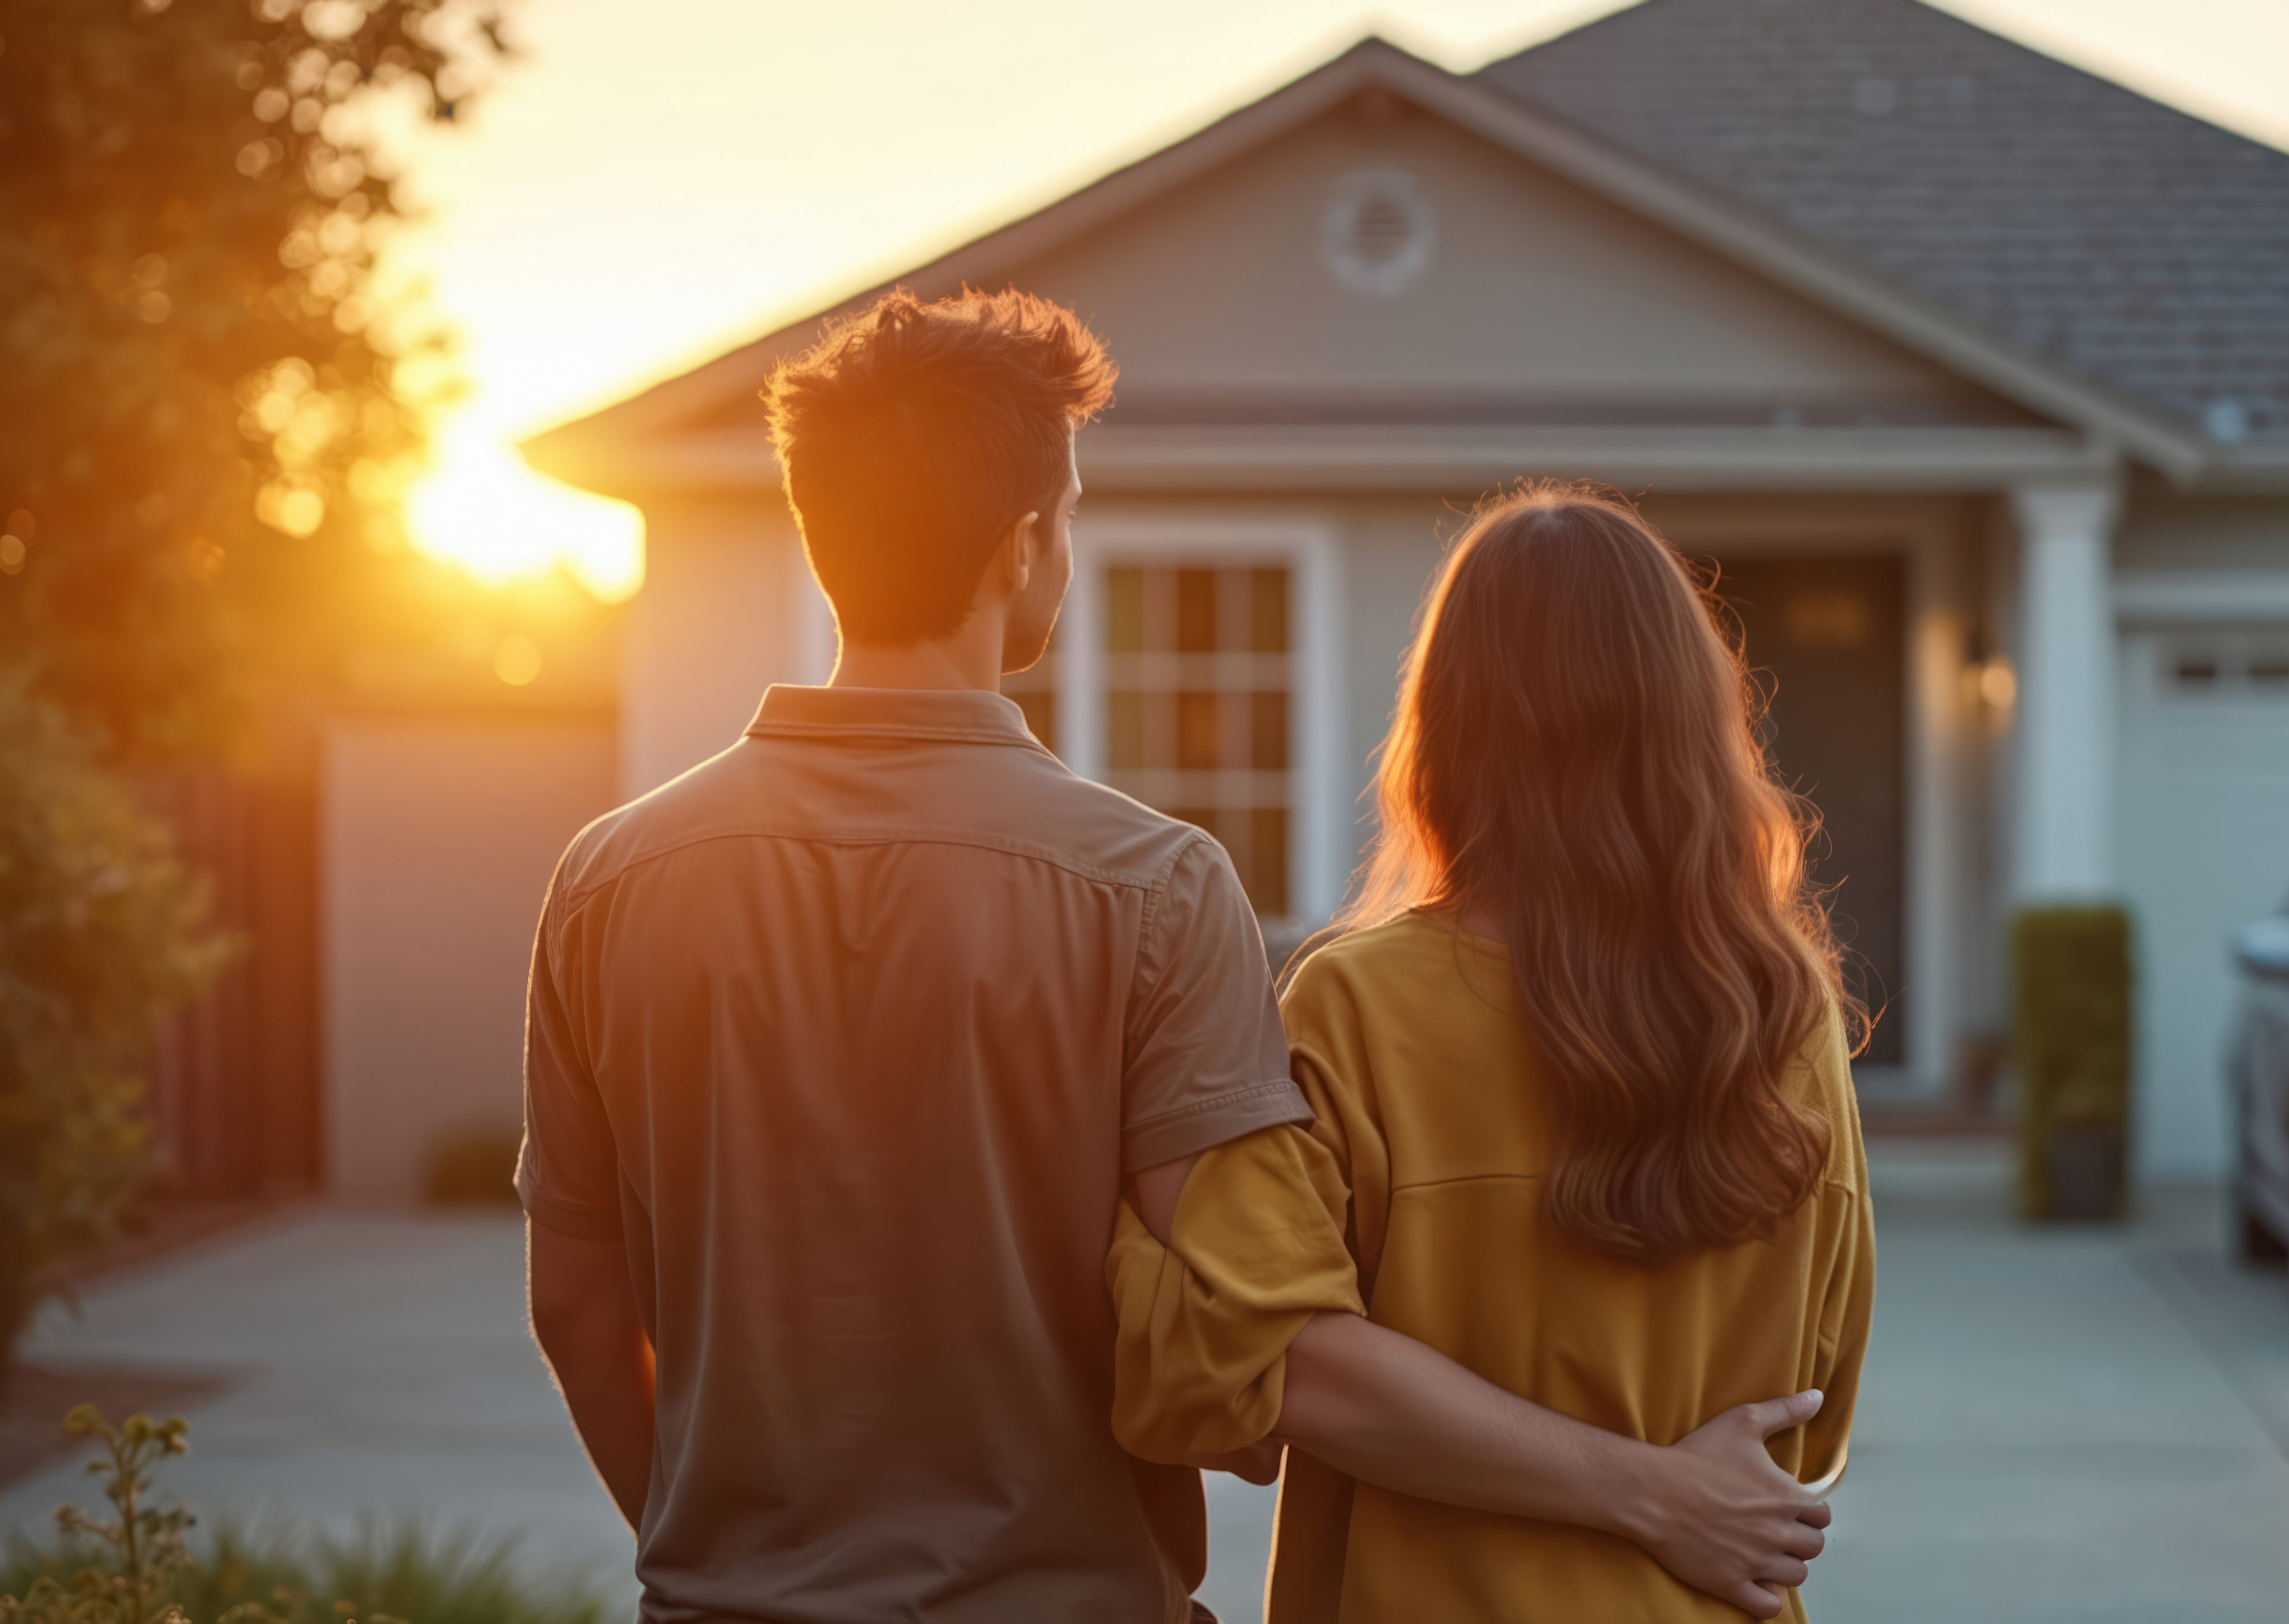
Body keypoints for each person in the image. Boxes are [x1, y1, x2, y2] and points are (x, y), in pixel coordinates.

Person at [517, 291, 1830, 1623]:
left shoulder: (607, 882)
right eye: (1071, 516)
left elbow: (575, 1302)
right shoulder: (1149, 886)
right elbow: (1240, 1343)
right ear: (1025, 545)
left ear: (820, 534)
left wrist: (716, 1555)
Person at [1108, 484, 1878, 1622]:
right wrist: (1660, 1489)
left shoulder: (1354, 1003)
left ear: (1449, 722)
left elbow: (1245, 1371)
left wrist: (1135, 1204)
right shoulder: (1786, 1012)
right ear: (1689, 722)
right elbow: (1813, 1406)